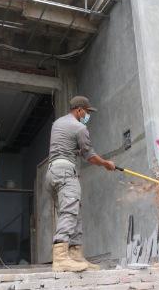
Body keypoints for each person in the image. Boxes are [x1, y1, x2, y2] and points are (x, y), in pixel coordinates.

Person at [46, 96, 115, 272]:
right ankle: (61, 258)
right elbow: (90, 156)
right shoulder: (80, 127)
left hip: (52, 173)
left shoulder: (58, 123)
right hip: (66, 173)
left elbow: (65, 146)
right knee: (70, 212)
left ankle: (75, 255)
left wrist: (76, 151)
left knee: (72, 211)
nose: (87, 115)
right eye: (86, 111)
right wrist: (106, 164)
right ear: (79, 110)